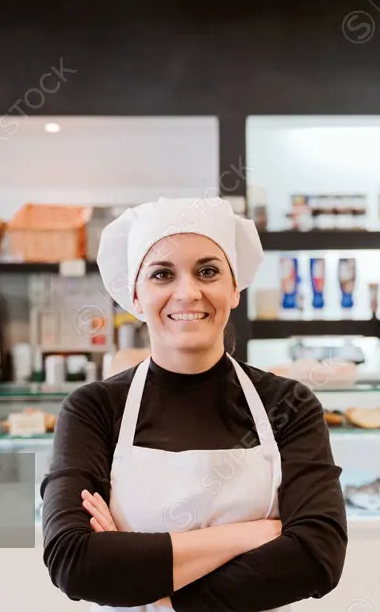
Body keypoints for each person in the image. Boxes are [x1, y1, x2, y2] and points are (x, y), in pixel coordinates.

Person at [40, 197, 348, 612]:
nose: (188, 292)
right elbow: (74, 563)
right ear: (135, 296)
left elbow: (317, 558)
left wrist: (153, 591)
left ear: (234, 288)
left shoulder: (289, 405)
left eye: (207, 271)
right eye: (162, 274)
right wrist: (251, 535)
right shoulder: (93, 409)